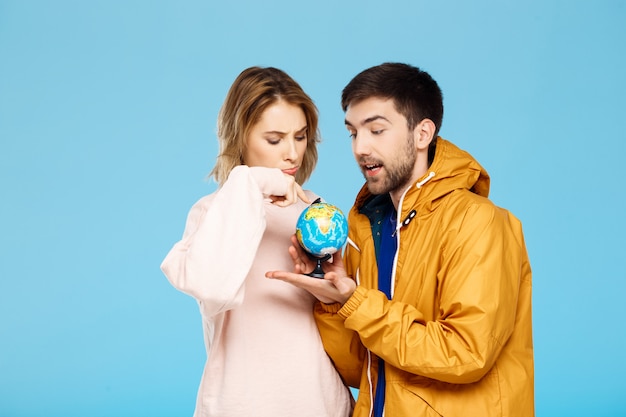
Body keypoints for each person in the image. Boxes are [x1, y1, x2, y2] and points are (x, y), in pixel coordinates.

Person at [266, 62, 535, 417]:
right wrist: (331, 301)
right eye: (352, 133)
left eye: (376, 130)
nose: (360, 147)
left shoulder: (480, 223)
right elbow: (363, 369)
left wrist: (357, 302)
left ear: (422, 134)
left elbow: (466, 353)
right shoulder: (365, 226)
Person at [161, 66, 353, 417]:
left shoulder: (318, 214)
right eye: (274, 139)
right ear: (240, 138)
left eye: (300, 136)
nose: (292, 153)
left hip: (318, 401)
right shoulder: (212, 213)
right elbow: (212, 287)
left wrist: (332, 290)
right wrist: (250, 184)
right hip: (241, 402)